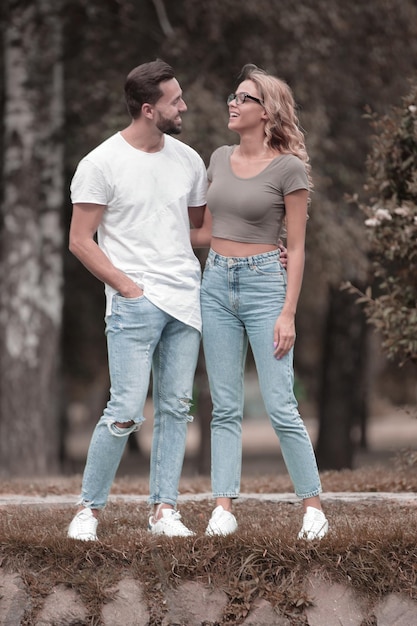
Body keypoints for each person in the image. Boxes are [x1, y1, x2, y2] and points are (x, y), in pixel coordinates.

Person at [67, 59, 207, 540]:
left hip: (186, 301)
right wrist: (127, 287)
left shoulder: (189, 160)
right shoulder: (101, 163)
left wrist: (260, 239)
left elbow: (198, 229)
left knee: (175, 408)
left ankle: (164, 511)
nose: (183, 106)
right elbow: (81, 240)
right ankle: (89, 510)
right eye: (175, 101)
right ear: (149, 110)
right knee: (124, 408)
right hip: (134, 303)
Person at [191, 64, 329, 541]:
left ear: (266, 111)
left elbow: (299, 244)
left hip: (265, 286)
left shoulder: (288, 168)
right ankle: (223, 507)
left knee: (280, 403)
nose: (233, 103)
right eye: (233, 96)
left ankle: (312, 507)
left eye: (243, 98)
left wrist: (288, 311)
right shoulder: (217, 157)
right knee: (223, 405)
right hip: (216, 285)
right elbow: (205, 231)